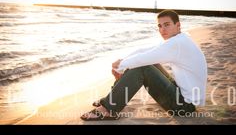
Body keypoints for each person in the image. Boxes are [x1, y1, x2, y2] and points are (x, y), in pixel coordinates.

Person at [80, 9, 208, 121]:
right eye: (160, 26)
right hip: (181, 94)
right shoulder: (180, 39)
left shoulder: (177, 43)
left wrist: (121, 66)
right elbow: (144, 51)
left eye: (167, 25)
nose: (162, 30)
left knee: (142, 67)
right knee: (146, 62)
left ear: (178, 25)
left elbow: (143, 59)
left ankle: (109, 109)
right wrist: (123, 61)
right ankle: (112, 98)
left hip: (184, 106)